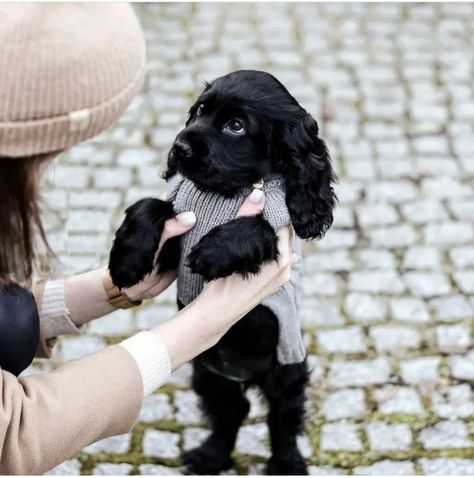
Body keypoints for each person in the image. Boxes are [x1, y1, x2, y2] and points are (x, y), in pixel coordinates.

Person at [0, 4, 296, 474]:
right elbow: (12, 433)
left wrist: (110, 289)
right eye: (47, 154)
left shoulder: (272, 193)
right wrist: (196, 329)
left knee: (12, 314)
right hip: (210, 345)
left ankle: (286, 450)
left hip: (270, 346)